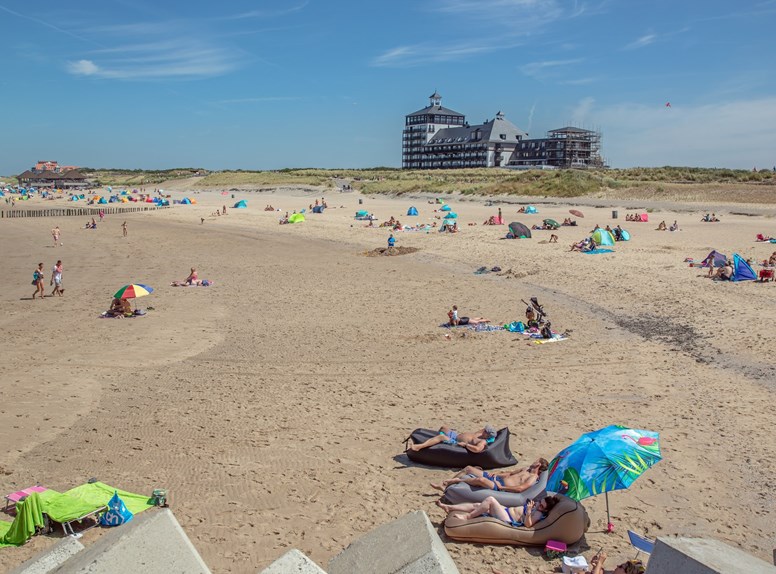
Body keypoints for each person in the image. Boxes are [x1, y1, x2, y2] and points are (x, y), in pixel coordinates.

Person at [436, 495, 559, 529]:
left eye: (542, 506)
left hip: (508, 519)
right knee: (478, 505)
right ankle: (449, 507)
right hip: (506, 511)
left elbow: (527, 525)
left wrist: (529, 511)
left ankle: (467, 517)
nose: (539, 506)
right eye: (539, 503)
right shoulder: (538, 507)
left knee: (490, 500)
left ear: (546, 510)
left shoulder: (538, 513)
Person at [431, 458, 549, 493]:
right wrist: (494, 475)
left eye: (535, 461)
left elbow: (520, 488)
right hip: (496, 479)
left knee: (481, 480)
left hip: (500, 486)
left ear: (538, 464)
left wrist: (502, 487)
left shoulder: (533, 478)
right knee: (468, 468)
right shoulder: (526, 468)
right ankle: (446, 486)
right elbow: (510, 473)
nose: (533, 461)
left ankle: (452, 482)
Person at [408, 425, 497, 453]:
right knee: (443, 428)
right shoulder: (481, 433)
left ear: (487, 435)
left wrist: (466, 445)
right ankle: (433, 441)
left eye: (486, 431)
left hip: (456, 442)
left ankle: (420, 446)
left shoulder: (482, 441)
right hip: (455, 435)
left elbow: (477, 449)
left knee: (441, 437)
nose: (483, 430)